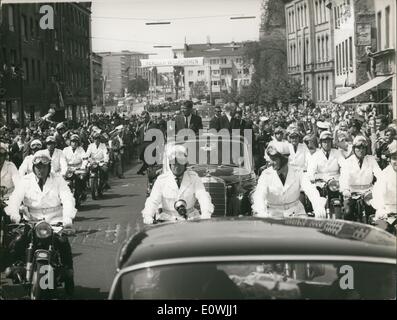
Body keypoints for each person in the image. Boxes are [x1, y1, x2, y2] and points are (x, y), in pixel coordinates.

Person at [4, 150, 76, 292]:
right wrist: (14, 214)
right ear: (33, 167)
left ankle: (68, 276)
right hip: (31, 221)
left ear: (49, 166)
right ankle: (16, 267)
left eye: (44, 166)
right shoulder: (26, 180)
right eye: (37, 166)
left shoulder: (58, 180)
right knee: (17, 241)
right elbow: (14, 199)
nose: (40, 169)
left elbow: (68, 199)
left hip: (54, 221)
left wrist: (67, 219)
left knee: (63, 244)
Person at [251, 141, 326, 218]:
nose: (270, 162)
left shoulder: (298, 172)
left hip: (296, 213)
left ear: (283, 159)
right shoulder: (266, 174)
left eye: (274, 159)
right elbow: (259, 195)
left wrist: (318, 207)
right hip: (273, 214)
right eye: (270, 159)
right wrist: (261, 212)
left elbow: (311, 190)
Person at [142, 145, 214, 224]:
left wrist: (206, 214)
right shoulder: (161, 180)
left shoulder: (194, 177)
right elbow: (153, 201)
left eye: (180, 163)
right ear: (170, 164)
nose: (176, 166)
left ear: (185, 164)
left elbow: (203, 196)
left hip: (191, 220)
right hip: (167, 221)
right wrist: (148, 216)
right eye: (174, 163)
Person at [340, 136, 382, 221]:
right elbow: (343, 177)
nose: (361, 150)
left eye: (363, 147)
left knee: (377, 213)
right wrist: (345, 190)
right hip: (352, 193)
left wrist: (379, 187)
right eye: (358, 147)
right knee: (348, 213)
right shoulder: (348, 162)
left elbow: (379, 174)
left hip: (368, 192)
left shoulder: (371, 159)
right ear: (354, 149)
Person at [372, 141, 397, 229]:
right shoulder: (384, 174)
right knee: (381, 232)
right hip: (387, 211)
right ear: (389, 160)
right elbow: (378, 195)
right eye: (394, 158)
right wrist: (381, 209)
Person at [85, 132, 109, 197]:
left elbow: (106, 154)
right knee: (85, 171)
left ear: (100, 139)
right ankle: (86, 183)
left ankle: (104, 182)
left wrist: (106, 160)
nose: (96, 140)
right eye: (95, 139)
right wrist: (86, 158)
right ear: (93, 139)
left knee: (105, 170)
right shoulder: (90, 146)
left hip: (101, 162)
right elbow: (87, 154)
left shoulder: (103, 145)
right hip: (92, 162)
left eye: (98, 139)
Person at [136, 111, 158, 175]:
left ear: (148, 117)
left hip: (152, 149)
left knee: (152, 167)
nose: (144, 119)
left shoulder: (153, 125)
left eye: (145, 117)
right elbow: (140, 138)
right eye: (142, 118)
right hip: (144, 150)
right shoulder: (142, 127)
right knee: (148, 167)